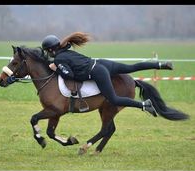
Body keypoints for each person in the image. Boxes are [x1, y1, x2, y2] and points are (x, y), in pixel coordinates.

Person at [41, 32, 173, 117]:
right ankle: (160, 65)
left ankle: (144, 105)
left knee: (114, 99)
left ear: (51, 50)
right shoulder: (66, 50)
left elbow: (68, 75)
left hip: (98, 72)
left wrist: (56, 68)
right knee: (131, 67)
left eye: (47, 51)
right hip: (101, 63)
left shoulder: (59, 60)